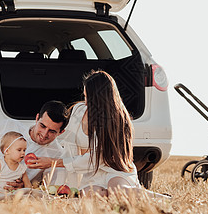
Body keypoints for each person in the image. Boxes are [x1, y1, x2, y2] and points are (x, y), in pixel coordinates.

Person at [28, 71, 170, 199]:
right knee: (92, 196)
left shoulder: (118, 122)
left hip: (114, 170)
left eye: (89, 97)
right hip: (92, 174)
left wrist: (53, 162)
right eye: (85, 95)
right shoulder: (78, 110)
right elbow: (65, 139)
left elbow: (95, 159)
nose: (86, 102)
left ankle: (160, 198)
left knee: (118, 192)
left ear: (100, 99)